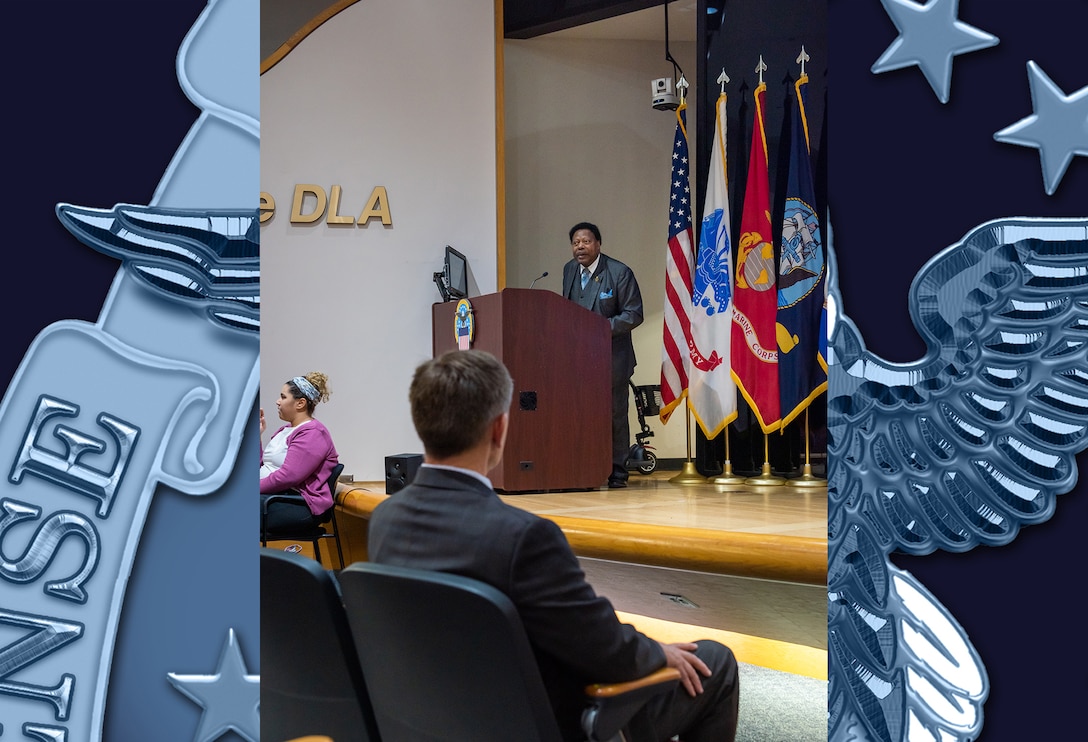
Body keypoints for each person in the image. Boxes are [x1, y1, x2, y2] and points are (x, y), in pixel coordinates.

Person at [368, 350, 738, 742]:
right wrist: (658, 651)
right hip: (546, 721)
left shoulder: (385, 520)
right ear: (499, 429)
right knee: (714, 661)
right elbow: (602, 648)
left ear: (420, 423)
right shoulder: (524, 537)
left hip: (430, 717)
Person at [561, 221, 644, 488]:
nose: (580, 247)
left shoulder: (620, 272)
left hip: (612, 358)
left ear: (598, 244)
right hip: (579, 358)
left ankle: (617, 473)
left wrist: (598, 329)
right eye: (575, 243)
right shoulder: (569, 270)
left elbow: (633, 314)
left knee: (613, 415)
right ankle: (586, 468)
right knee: (581, 413)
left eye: (585, 241)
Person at [260, 372, 339, 533]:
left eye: (283, 397)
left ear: (300, 403)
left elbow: (288, 477)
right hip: (274, 497)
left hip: (297, 504)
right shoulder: (285, 430)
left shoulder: (313, 433)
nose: (277, 401)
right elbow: (262, 466)